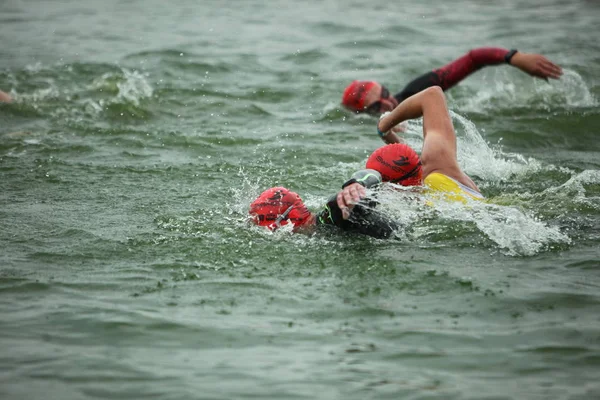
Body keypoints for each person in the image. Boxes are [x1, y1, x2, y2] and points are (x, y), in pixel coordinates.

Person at [249, 86, 484, 238]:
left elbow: (348, 200)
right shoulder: (441, 166)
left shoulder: (329, 222)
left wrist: (358, 183)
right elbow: (433, 94)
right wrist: (386, 125)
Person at [341, 47, 563, 117]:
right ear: (360, 115)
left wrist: (514, 57)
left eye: (386, 92)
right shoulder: (362, 128)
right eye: (376, 107)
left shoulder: (416, 92)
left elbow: (473, 59)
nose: (388, 103)